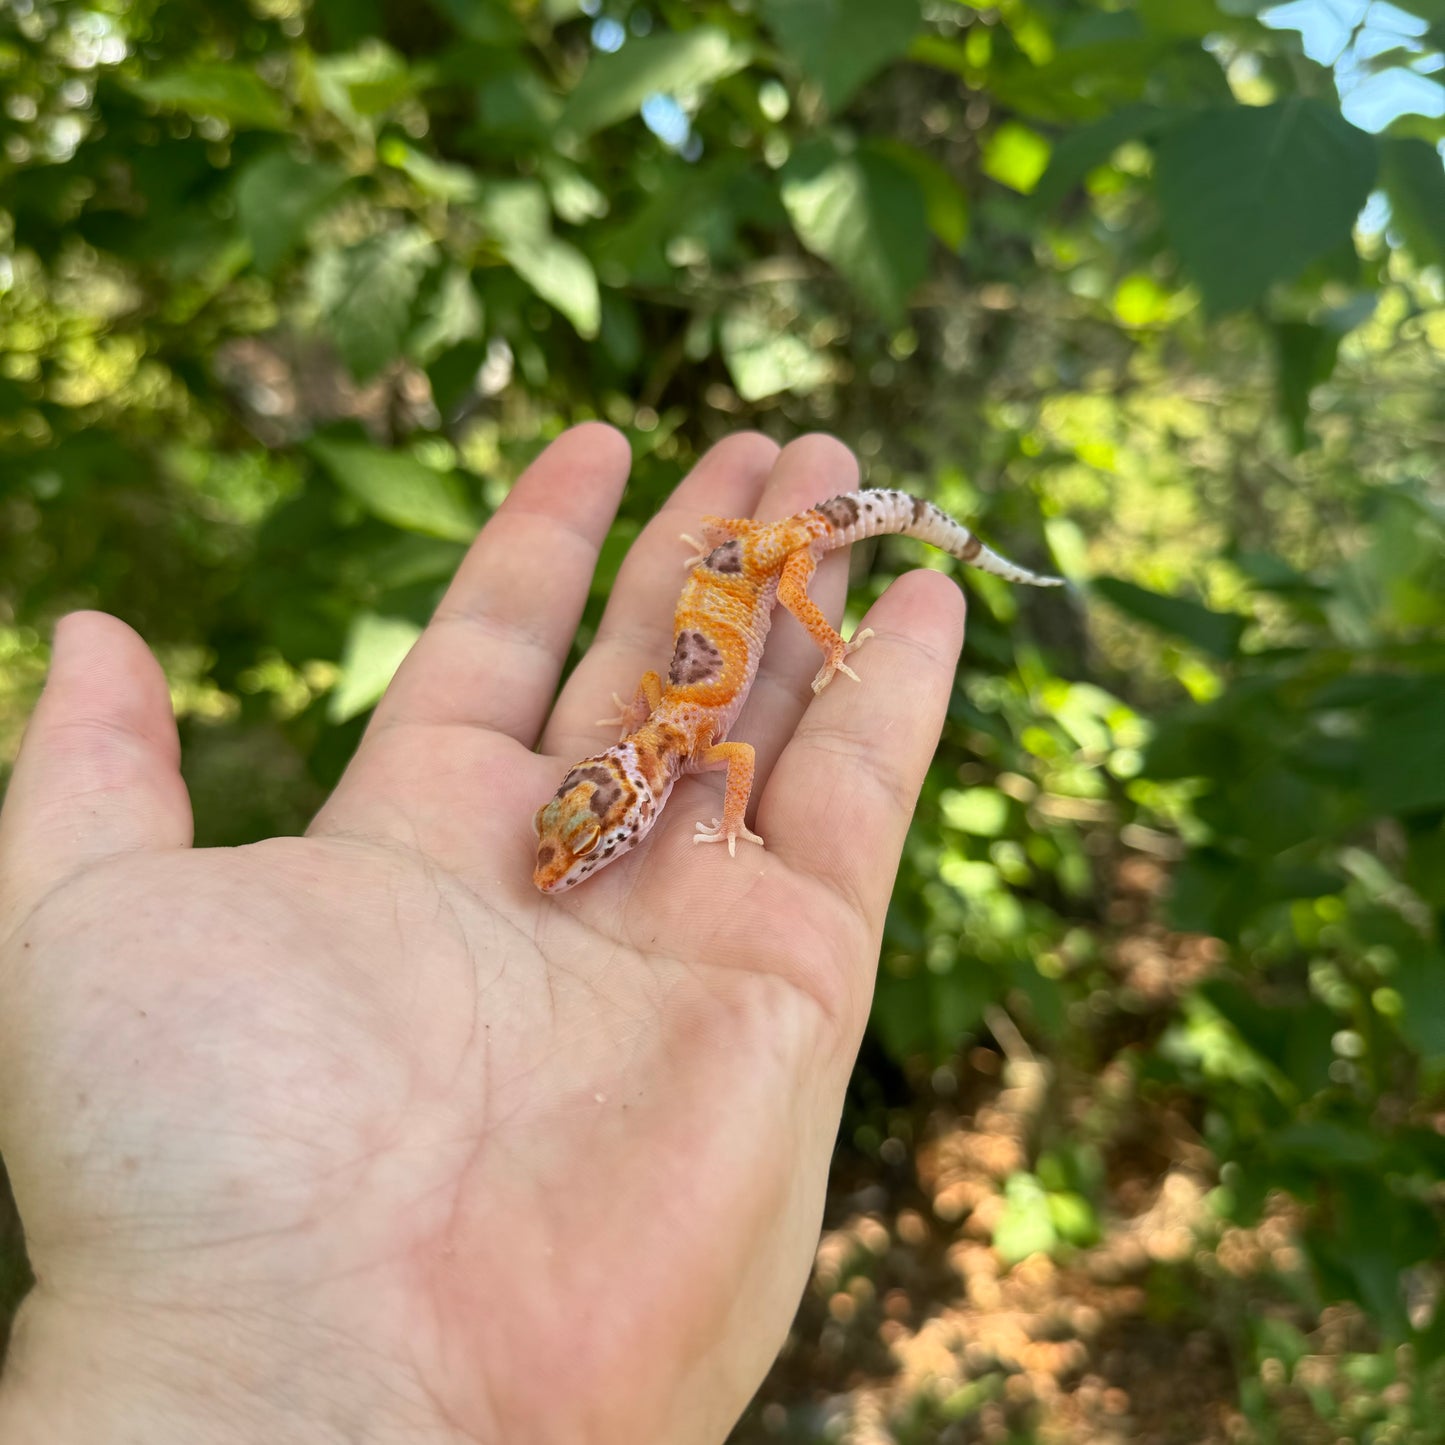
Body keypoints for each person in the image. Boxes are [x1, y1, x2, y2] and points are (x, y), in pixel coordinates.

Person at [0, 426, 967, 1443]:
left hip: (758, 564)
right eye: (568, 839)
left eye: (580, 844)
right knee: (769, 548)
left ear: (630, 815)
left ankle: (916, 549)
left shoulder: (686, 739)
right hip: (732, 566)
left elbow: (735, 758)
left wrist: (805, 673)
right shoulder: (657, 732)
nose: (562, 865)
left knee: (802, 572)